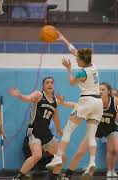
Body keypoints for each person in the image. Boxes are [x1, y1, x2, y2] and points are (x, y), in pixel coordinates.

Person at [46, 31, 103, 179]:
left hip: (87, 101)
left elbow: (71, 83)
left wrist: (69, 68)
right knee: (91, 135)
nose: (76, 60)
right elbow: (74, 50)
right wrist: (62, 38)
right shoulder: (93, 65)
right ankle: (91, 162)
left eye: (78, 60)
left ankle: (58, 157)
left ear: (82, 61)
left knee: (68, 129)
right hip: (98, 103)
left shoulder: (82, 72)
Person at [58, 82, 118, 179]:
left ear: (108, 92)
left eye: (103, 89)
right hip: (95, 130)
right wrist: (63, 103)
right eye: (99, 89)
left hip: (111, 129)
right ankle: (68, 175)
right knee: (80, 152)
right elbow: (76, 105)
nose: (100, 91)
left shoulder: (115, 101)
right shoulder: (93, 101)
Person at [8, 77, 64, 180]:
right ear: (43, 86)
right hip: (35, 130)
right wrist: (19, 95)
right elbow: (28, 98)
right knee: (37, 155)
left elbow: (55, 115)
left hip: (46, 132)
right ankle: (18, 177)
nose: (50, 84)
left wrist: (59, 129)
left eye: (52, 82)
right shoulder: (39, 94)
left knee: (61, 156)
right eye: (47, 82)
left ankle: (54, 177)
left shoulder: (55, 101)